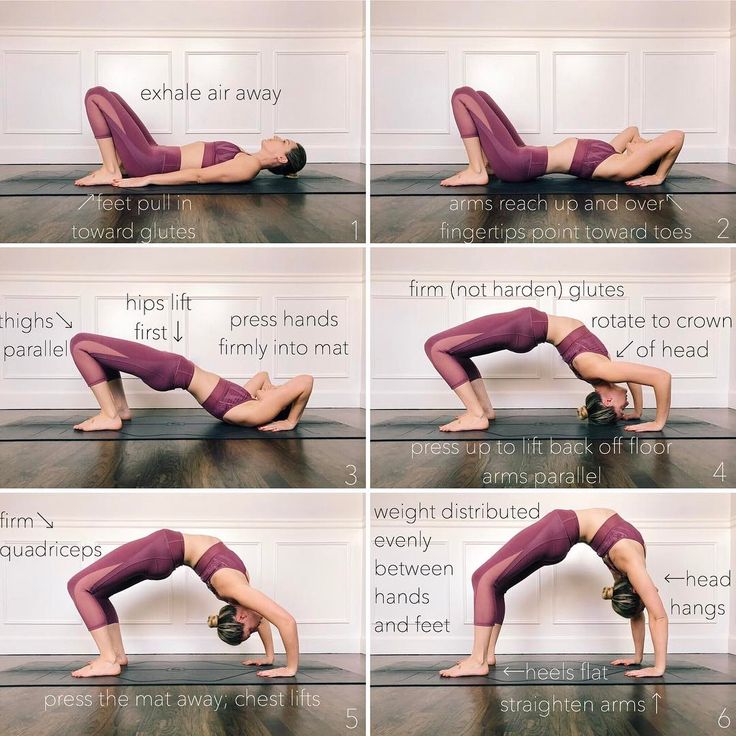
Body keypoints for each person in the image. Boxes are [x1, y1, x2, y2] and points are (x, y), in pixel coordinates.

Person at [440, 508, 668, 679]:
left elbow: (648, 615)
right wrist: (647, 662)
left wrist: (648, 662)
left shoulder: (631, 565)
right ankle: (487, 655)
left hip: (558, 528)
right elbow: (646, 614)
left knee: (483, 579)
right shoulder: (632, 568)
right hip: (561, 534)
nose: (651, 595)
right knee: (494, 584)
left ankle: (478, 660)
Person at [67, 529, 299, 678]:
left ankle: (108, 660)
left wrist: (287, 666)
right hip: (163, 550)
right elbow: (281, 621)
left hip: (162, 549)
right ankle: (116, 656)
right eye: (252, 631)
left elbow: (275, 620)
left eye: (252, 631)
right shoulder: (240, 591)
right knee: (96, 592)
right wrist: (274, 659)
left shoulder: (237, 591)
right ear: (241, 617)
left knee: (79, 587)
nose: (258, 626)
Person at [424, 307, 671, 432]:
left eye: (620, 408)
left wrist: (658, 422)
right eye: (624, 408)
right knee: (456, 351)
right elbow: (634, 375)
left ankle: (476, 415)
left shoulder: (599, 369)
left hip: (524, 326)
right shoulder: (605, 371)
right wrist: (639, 411)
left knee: (435, 347)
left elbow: (662, 378)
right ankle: (484, 411)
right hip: (527, 326)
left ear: (606, 400)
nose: (625, 404)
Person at [441, 87, 684, 187]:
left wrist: (658, 176)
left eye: (647, 143)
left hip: (518, 164)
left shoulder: (623, 166)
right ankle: (485, 164)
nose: (642, 139)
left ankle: (477, 170)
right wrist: (637, 145)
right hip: (525, 153)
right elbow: (632, 129)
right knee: (481, 96)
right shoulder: (612, 154)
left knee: (462, 95)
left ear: (644, 158)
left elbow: (676, 136)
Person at [70, 332, 313, 432]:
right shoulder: (248, 401)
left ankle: (109, 414)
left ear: (277, 407)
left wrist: (291, 421)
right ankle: (120, 410)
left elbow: (306, 380)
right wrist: (268, 387)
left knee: (79, 344)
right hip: (174, 368)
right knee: (104, 356)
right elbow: (262, 375)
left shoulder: (258, 411)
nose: (273, 388)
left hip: (170, 370)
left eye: (279, 391)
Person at [74, 86, 306, 188]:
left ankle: (111, 169)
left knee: (96, 96)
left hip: (151, 161)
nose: (277, 137)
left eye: (283, 141)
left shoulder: (249, 165)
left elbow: (198, 176)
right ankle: (117, 164)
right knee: (111, 96)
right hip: (155, 151)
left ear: (282, 158)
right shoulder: (246, 157)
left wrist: (147, 179)